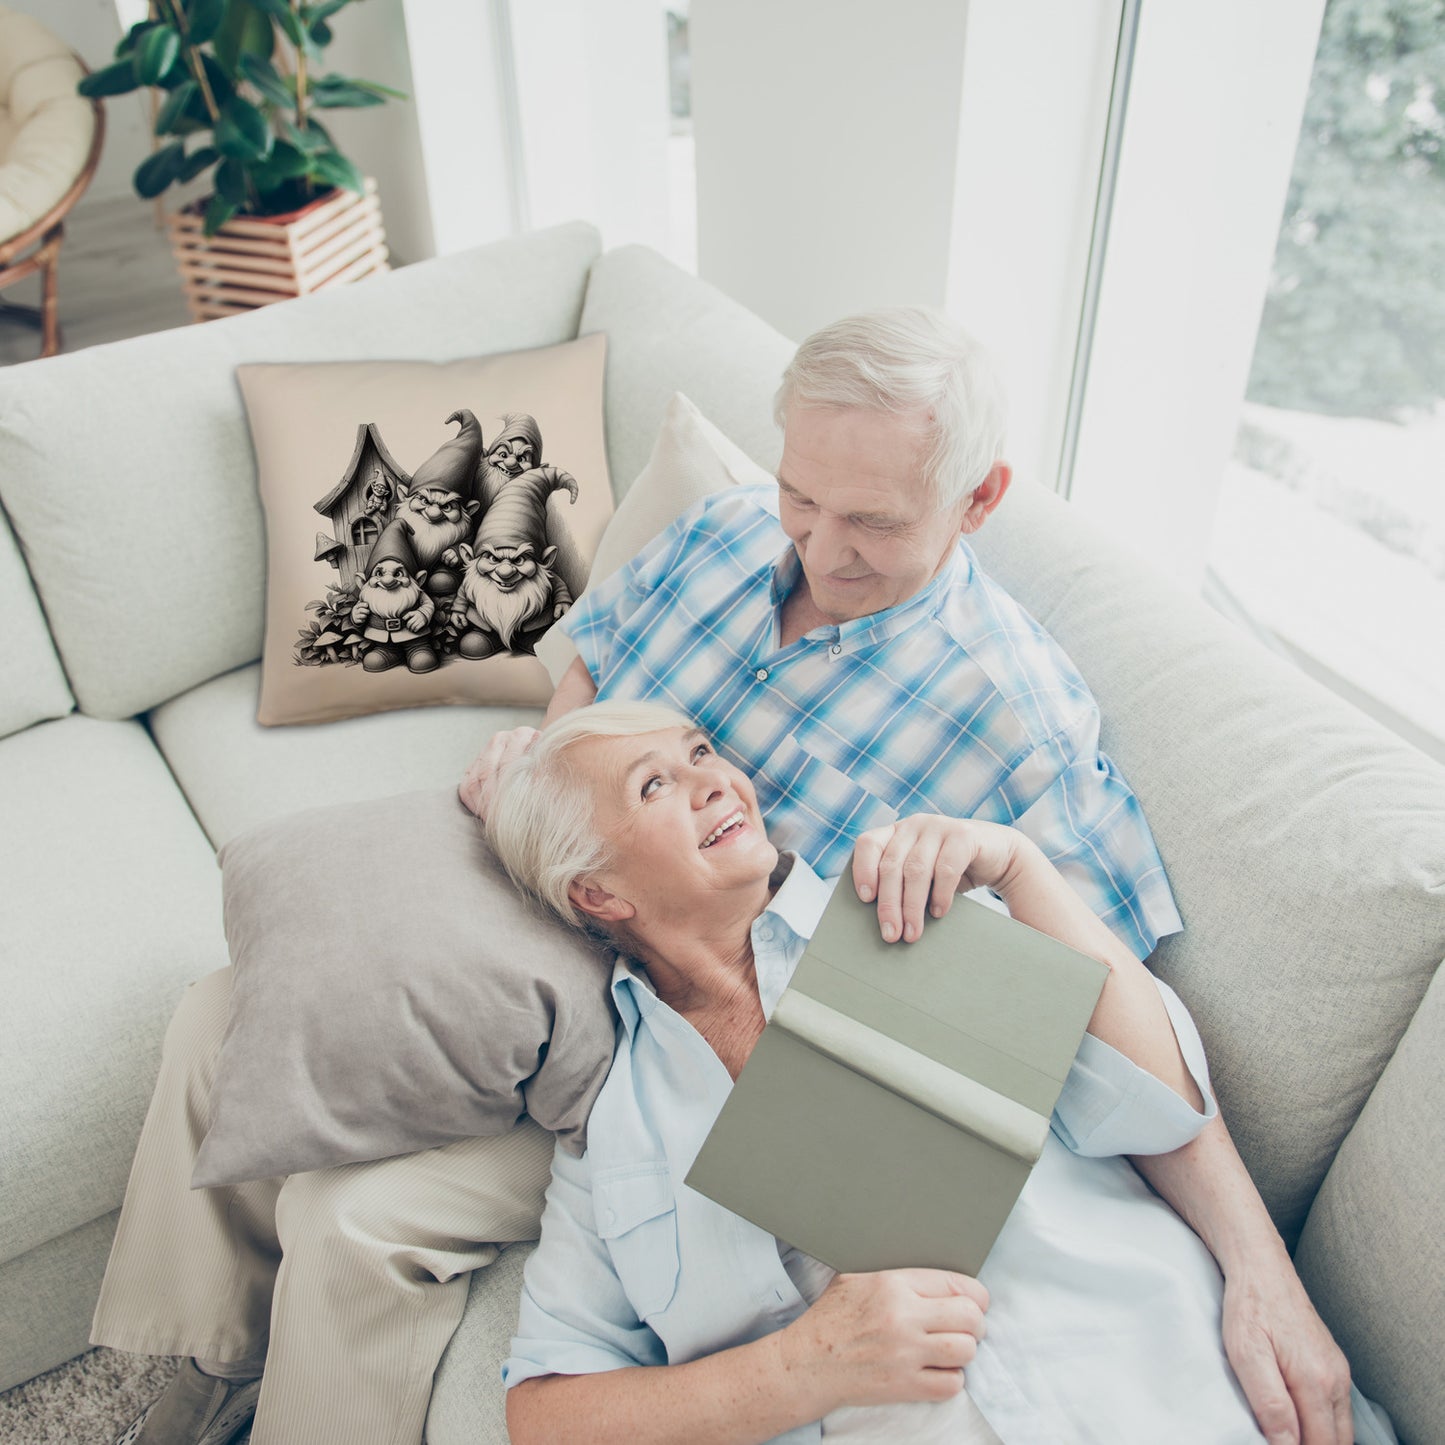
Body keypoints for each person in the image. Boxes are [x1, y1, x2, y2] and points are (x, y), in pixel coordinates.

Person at [94, 309, 1348, 1445]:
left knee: (355, 1218)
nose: (818, 545)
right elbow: (591, 670)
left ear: (976, 501)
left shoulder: (1016, 725)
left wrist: (1260, 1267)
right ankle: (192, 1364)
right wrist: (545, 765)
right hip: (581, 888)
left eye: (871, 520)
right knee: (229, 1008)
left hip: (693, 1013)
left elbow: (1103, 1020)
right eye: (804, 495)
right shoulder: (726, 533)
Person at [486, 701, 1384, 1445]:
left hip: (1174, 1393)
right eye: (655, 784)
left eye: (700, 752)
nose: (715, 779)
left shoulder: (908, 907)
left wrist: (1021, 869)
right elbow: (545, 1413)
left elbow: (1158, 1106)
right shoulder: (614, 1132)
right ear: (597, 893)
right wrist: (803, 1367)